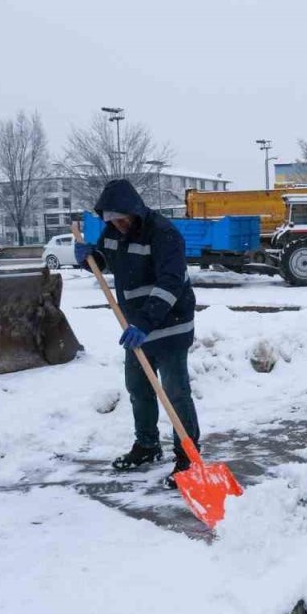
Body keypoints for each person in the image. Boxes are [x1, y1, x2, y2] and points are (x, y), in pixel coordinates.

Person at [73, 179, 199, 487]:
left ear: (134, 211)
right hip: (136, 328)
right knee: (139, 389)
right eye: (111, 220)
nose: (117, 224)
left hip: (169, 323)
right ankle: (147, 445)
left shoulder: (163, 234)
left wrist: (145, 322)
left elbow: (170, 282)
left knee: (175, 392)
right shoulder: (114, 230)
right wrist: (90, 259)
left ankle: (188, 458)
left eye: (120, 218)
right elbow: (106, 260)